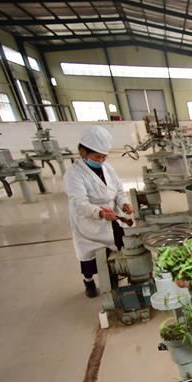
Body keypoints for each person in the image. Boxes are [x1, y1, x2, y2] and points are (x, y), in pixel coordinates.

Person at [63, 125, 134, 297]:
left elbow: (117, 190)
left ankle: (115, 275)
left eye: (104, 156)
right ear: (82, 152)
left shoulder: (108, 168)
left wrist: (123, 203)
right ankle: (88, 281)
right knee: (90, 259)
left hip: (112, 217)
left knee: (120, 247)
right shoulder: (74, 174)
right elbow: (79, 203)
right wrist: (99, 213)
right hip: (89, 222)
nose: (101, 160)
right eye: (97, 156)